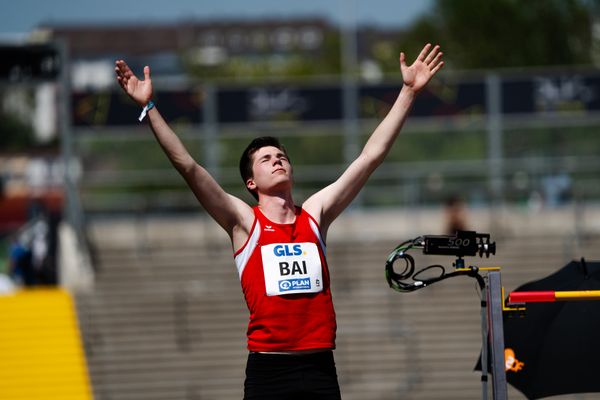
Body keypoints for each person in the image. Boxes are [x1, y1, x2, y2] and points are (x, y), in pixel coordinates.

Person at [115, 43, 444, 400]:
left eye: (282, 156)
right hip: (269, 372)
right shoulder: (243, 221)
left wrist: (408, 92)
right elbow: (189, 167)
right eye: (266, 158)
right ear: (250, 183)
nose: (277, 160)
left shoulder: (315, 213)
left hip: (320, 368)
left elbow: (369, 157)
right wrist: (149, 107)